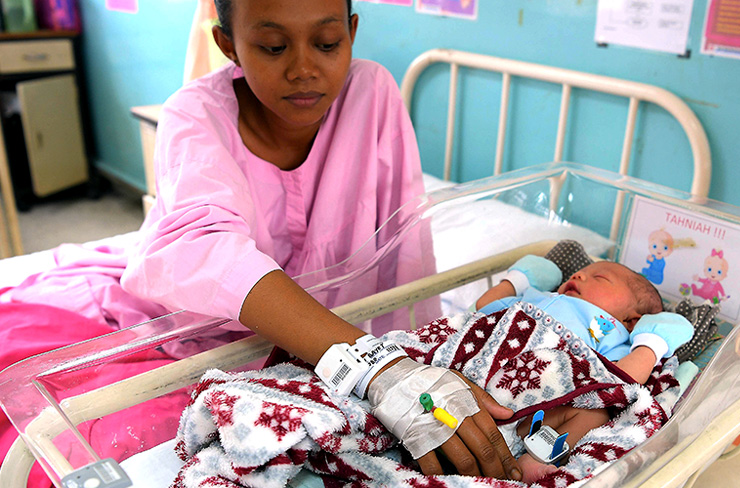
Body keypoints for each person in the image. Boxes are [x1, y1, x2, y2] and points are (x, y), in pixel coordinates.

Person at [0, 0, 522, 482]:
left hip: (331, 341)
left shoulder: (373, 94)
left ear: (352, 32)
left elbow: (402, 251)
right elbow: (205, 248)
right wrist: (374, 368)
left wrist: (413, 359)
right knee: (68, 437)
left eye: (326, 43)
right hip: (200, 335)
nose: (303, 69)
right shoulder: (194, 115)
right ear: (228, 44)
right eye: (273, 47)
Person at [475, 256, 692, 482]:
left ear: (631, 321)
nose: (578, 275)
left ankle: (537, 457)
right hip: (482, 380)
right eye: (576, 273)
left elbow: (623, 378)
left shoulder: (615, 335)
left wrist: (651, 341)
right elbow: (484, 309)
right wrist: (517, 280)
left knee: (593, 414)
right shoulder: (537, 297)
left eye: (600, 277)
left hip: (534, 413)